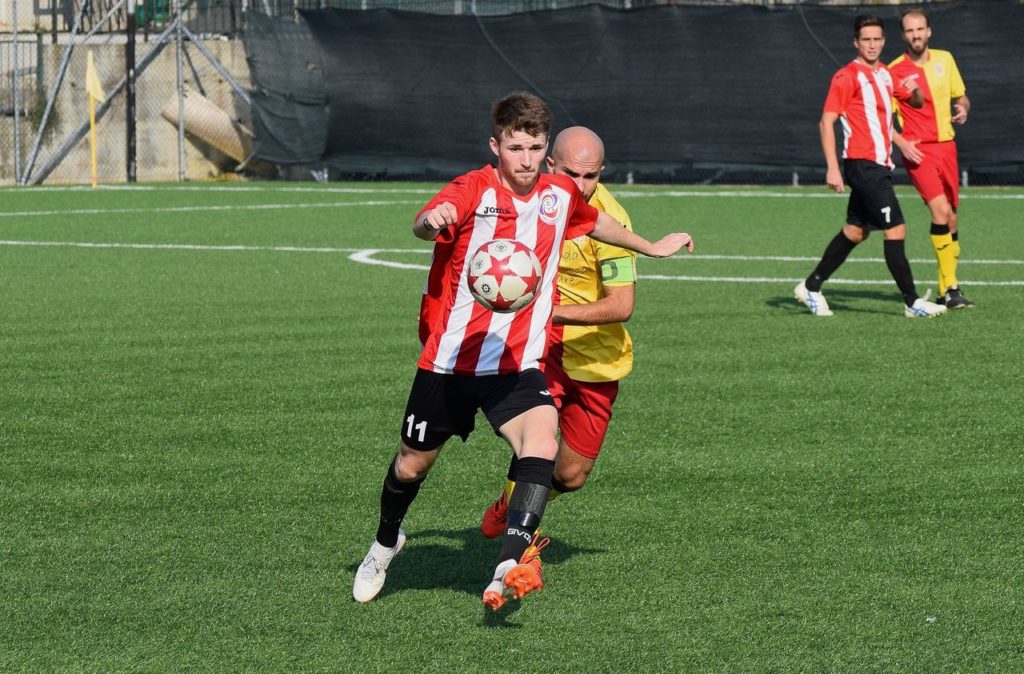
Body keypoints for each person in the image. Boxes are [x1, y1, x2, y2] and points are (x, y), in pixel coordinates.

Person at [352, 92, 694, 611]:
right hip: (450, 360)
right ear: (497, 146)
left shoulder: (558, 194)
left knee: (541, 443)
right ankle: (384, 543)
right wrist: (434, 218)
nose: (527, 159)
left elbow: (593, 219)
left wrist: (651, 246)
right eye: (516, 147)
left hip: (515, 364)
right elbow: (424, 222)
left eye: (535, 147)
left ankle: (509, 562)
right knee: (410, 467)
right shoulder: (473, 188)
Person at [479, 126, 644, 539]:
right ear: (550, 164)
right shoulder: (529, 201)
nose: (583, 186)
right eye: (573, 174)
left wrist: (549, 312)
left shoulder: (610, 219)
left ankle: (509, 502)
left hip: (596, 360)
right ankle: (520, 549)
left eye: (592, 176)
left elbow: (621, 305)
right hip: (540, 352)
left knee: (571, 475)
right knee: (538, 445)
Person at [794, 14, 946, 319]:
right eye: (866, 39)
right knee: (896, 228)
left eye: (877, 39)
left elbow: (914, 102)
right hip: (863, 166)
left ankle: (811, 286)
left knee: (855, 231)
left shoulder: (886, 75)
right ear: (856, 43)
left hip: (879, 165)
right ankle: (912, 301)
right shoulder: (846, 76)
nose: (872, 44)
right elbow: (826, 121)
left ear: (884, 41)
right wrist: (832, 168)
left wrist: (913, 87)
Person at [889, 8, 975, 309]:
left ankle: (946, 288)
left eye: (920, 29)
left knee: (951, 217)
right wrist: (901, 143)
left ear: (929, 32)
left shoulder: (945, 59)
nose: (916, 35)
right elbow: (879, 117)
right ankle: (951, 288)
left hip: (947, 147)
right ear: (903, 35)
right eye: (910, 31)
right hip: (919, 151)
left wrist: (963, 107)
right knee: (939, 213)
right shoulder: (894, 71)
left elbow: (960, 95)